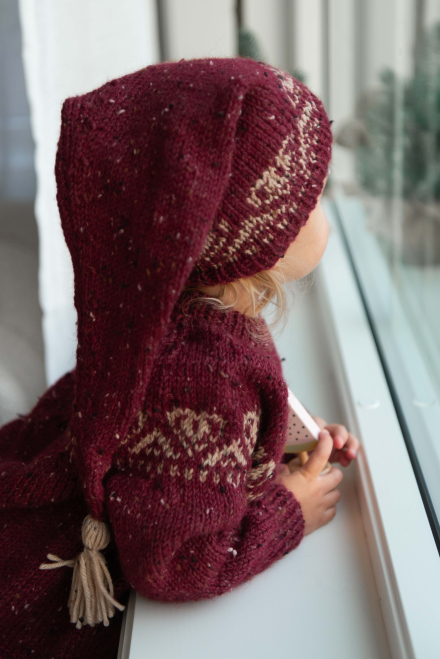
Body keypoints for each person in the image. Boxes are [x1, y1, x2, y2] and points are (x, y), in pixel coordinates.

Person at [0, 57, 359, 659]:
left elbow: (179, 448)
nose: (326, 210)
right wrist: (287, 510)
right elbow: (173, 561)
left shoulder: (156, 303)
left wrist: (282, 441)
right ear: (254, 232)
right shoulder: (206, 370)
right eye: (314, 197)